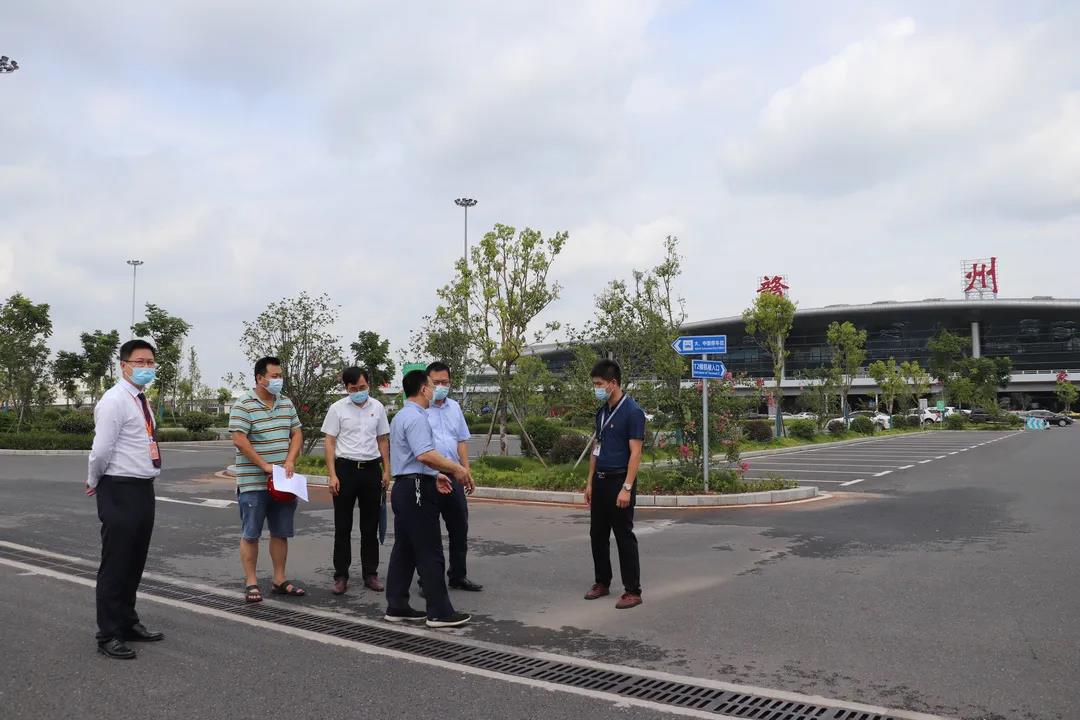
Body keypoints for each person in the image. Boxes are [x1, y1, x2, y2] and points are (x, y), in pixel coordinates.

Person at [86, 339, 165, 659]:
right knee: (116, 562)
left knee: (134, 560)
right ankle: (108, 633)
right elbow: (101, 449)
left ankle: (127, 622)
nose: (146, 367)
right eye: (140, 362)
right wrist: (94, 479)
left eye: (151, 362)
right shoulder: (114, 400)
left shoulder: (140, 400)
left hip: (142, 487)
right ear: (123, 366)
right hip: (119, 487)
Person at [385, 369, 475, 628]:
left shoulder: (402, 416)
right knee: (429, 549)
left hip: (408, 485)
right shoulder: (416, 417)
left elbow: (413, 457)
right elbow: (424, 454)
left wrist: (435, 475)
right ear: (424, 389)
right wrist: (457, 469)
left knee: (405, 549)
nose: (435, 390)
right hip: (415, 489)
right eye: (432, 386)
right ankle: (439, 611)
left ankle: (397, 605)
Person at [229, 356, 305, 603]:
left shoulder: (286, 403)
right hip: (253, 482)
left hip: (283, 481)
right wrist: (264, 466)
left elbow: (297, 433)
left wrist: (290, 460)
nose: (279, 380)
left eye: (280, 376)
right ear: (260, 378)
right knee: (251, 533)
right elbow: (239, 439)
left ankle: (279, 579)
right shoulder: (244, 404)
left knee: (280, 532)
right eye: (274, 376)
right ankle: (251, 581)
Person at [321, 366, 391, 595]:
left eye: (362, 387)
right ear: (346, 388)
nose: (359, 392)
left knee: (370, 526)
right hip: (345, 470)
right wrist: (332, 474)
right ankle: (341, 575)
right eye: (353, 388)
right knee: (343, 526)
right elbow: (330, 442)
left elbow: (382, 440)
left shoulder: (377, 407)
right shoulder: (337, 409)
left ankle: (370, 574)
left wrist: (386, 470)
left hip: (371, 470)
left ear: (368, 384)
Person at [583, 359, 646, 610]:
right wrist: (590, 482)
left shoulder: (632, 411)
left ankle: (632, 590)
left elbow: (636, 453)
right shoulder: (602, 412)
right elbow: (596, 448)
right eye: (595, 384)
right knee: (597, 534)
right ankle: (602, 582)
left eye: (599, 384)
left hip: (620, 481)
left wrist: (627, 488)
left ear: (613, 383)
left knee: (623, 536)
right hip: (600, 481)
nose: (596, 389)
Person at [423, 361, 481, 592]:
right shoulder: (420, 409)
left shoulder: (454, 407)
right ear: (426, 383)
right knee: (429, 532)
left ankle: (458, 575)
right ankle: (428, 580)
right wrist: (434, 471)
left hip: (454, 474)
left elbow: (461, 440)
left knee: (459, 527)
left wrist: (466, 471)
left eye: (445, 382)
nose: (441, 387)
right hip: (429, 476)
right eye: (436, 382)